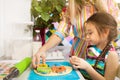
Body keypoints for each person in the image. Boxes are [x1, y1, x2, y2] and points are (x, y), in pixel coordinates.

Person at [32, 0, 119, 68]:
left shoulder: (109, 3)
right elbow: (61, 31)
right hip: (77, 60)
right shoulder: (73, 5)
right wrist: (42, 49)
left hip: (100, 63)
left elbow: (115, 32)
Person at [70, 12, 119, 80]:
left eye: (90, 33)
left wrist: (87, 67)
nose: (86, 37)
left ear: (105, 32)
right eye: (86, 33)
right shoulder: (91, 48)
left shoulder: (112, 55)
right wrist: (77, 64)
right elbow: (86, 73)